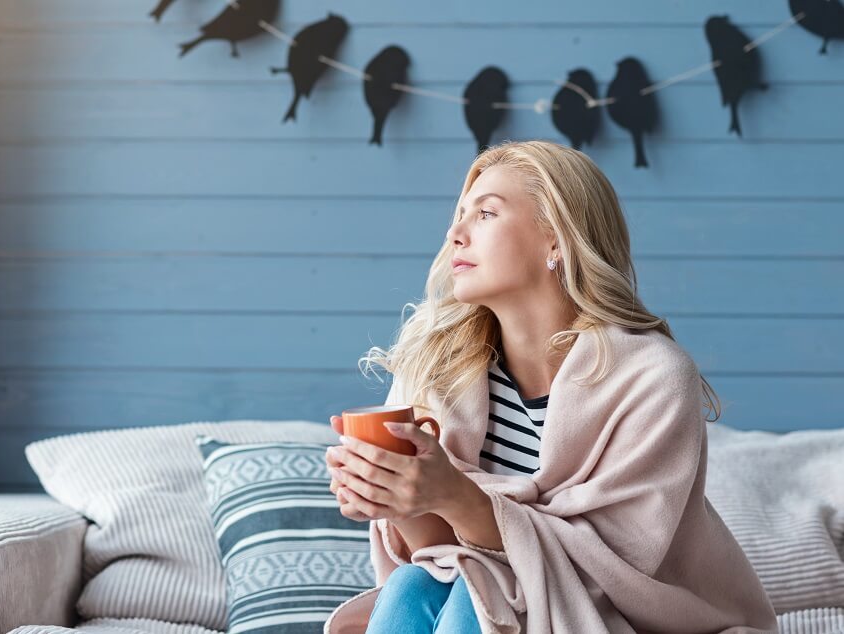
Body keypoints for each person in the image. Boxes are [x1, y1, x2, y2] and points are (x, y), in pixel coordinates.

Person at [322, 140, 777, 633]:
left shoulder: (652, 377)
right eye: (458, 215)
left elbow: (615, 571)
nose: (455, 233)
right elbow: (436, 554)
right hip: (480, 597)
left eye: (486, 214)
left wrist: (458, 496)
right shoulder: (434, 366)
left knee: (471, 605)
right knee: (415, 586)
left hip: (627, 615)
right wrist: (402, 499)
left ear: (556, 239)